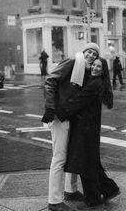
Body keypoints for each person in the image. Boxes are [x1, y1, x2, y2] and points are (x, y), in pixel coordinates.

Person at [41, 43, 100, 211]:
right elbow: (50, 80)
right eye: (89, 52)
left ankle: (71, 190)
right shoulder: (73, 61)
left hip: (72, 116)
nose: (91, 56)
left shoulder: (86, 69)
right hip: (60, 115)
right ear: (83, 51)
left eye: (94, 54)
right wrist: (50, 108)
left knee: (72, 153)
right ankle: (54, 201)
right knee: (59, 157)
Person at [58, 58, 120, 209]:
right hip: (87, 128)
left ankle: (93, 199)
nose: (95, 67)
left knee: (85, 164)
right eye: (94, 65)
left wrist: (58, 113)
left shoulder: (95, 84)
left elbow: (78, 101)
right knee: (89, 162)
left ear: (103, 70)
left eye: (99, 66)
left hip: (86, 130)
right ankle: (109, 189)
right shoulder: (94, 81)